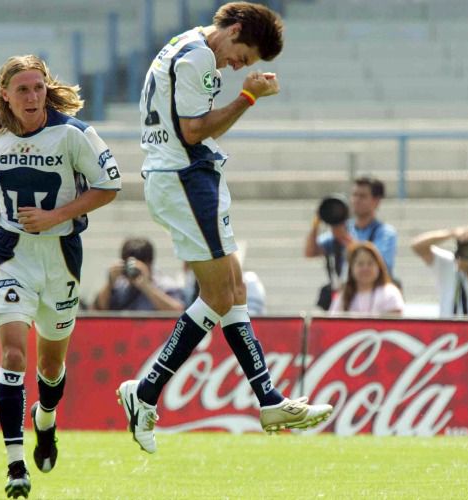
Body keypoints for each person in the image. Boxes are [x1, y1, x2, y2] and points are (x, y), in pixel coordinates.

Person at [117, 1, 332, 455]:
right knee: (218, 296)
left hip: (188, 178)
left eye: (246, 65)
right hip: (184, 179)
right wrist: (247, 97)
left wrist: (240, 97)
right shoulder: (196, 56)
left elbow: (198, 127)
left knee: (232, 290)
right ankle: (147, 390)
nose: (239, 66)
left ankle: (268, 399)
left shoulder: (189, 47)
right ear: (234, 29)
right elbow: (193, 131)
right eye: (244, 55)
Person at [0, 55, 120, 498]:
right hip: (9, 252)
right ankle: (16, 465)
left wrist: (57, 215)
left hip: (60, 256)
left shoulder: (74, 134)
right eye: (22, 90)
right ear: (6, 97)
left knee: (51, 366)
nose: (32, 96)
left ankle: (46, 419)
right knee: (14, 357)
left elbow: (109, 186)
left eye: (38, 87)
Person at [305, 176, 398, 310]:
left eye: (363, 196)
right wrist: (317, 222)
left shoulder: (384, 232)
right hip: (346, 296)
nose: (356, 200)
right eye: (354, 195)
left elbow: (381, 263)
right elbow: (310, 252)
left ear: (376, 201)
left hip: (376, 299)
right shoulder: (343, 229)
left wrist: (346, 240)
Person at [411, 227, 468, 318]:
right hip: (449, 329)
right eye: (464, 247)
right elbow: (417, 246)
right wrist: (451, 233)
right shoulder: (449, 263)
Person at [92, 237, 184, 312]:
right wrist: (109, 283)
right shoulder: (119, 285)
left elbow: (178, 312)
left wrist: (147, 287)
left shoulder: (165, 285)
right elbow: (97, 310)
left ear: (149, 264)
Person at [328, 241, 404, 315]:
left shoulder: (390, 293)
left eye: (370, 263)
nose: (365, 268)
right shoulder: (343, 295)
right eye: (360, 264)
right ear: (351, 269)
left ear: (379, 267)